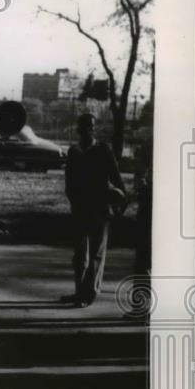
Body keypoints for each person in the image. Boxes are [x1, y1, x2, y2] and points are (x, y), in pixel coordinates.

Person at [63, 113, 125, 307]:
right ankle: (78, 291)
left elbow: (116, 178)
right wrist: (73, 201)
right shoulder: (74, 152)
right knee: (79, 254)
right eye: (83, 127)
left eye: (90, 126)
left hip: (100, 209)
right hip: (80, 208)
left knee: (96, 254)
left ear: (94, 129)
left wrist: (121, 201)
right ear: (78, 129)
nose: (86, 130)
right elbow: (69, 183)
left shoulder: (103, 150)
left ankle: (88, 295)